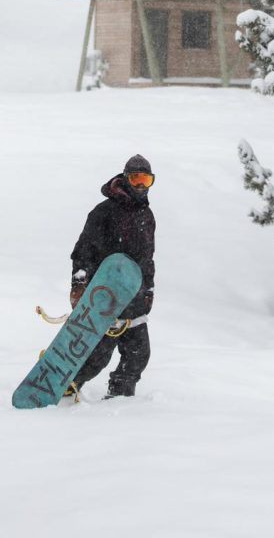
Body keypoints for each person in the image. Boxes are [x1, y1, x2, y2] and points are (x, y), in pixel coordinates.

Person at [69, 154, 156, 399]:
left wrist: (148, 289)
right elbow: (83, 252)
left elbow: (148, 260)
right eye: (136, 179)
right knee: (98, 356)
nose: (141, 185)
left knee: (139, 354)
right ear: (125, 179)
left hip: (135, 297)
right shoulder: (103, 213)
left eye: (146, 180)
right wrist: (79, 284)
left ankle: (119, 397)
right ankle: (67, 382)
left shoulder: (147, 217)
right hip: (105, 297)